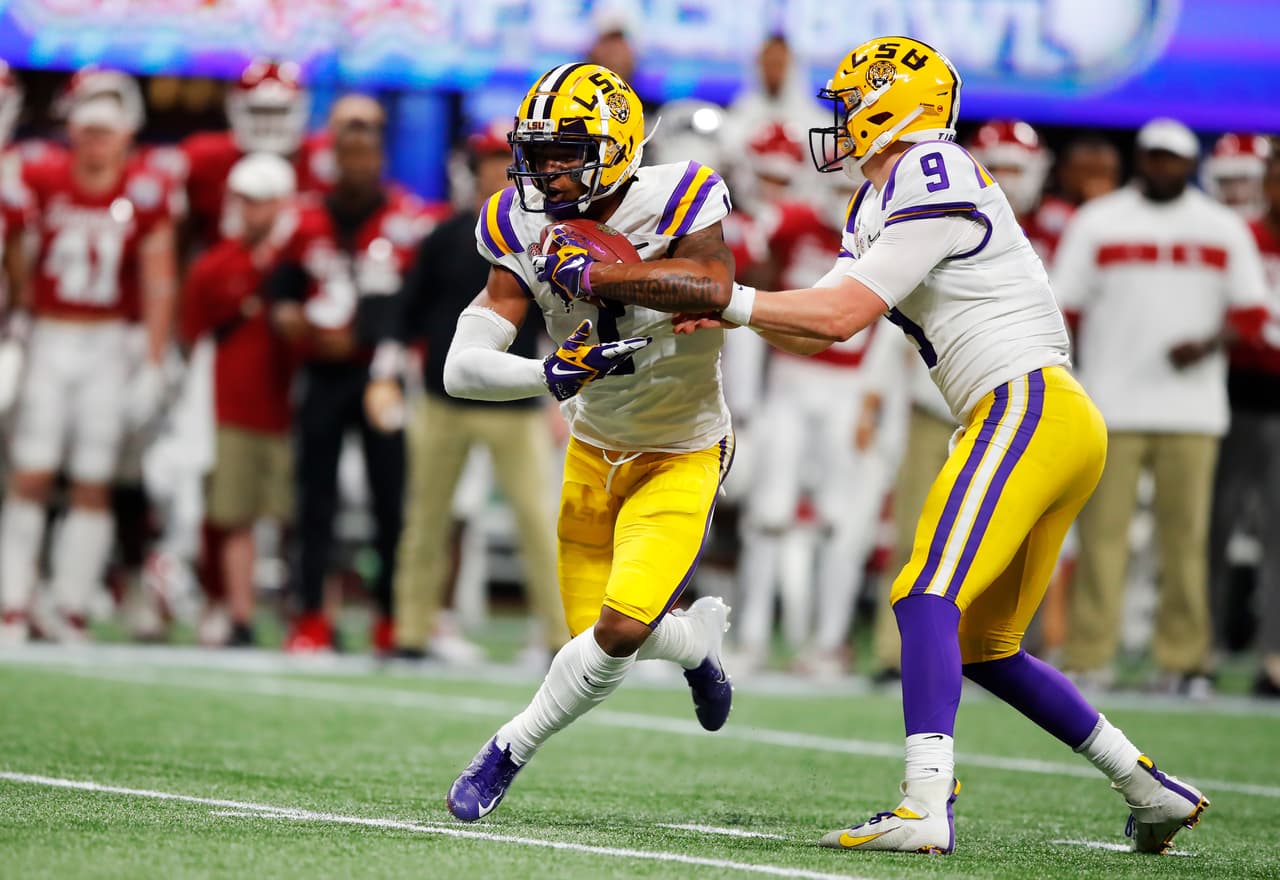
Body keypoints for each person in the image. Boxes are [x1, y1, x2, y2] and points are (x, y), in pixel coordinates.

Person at [625, 36, 1208, 856]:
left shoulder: (932, 166)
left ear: (894, 106)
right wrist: (723, 311)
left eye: (850, 103)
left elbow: (835, 318)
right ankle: (1149, 788)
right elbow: (821, 327)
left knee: (924, 593)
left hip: (1025, 403)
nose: (839, 120)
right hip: (1044, 416)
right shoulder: (878, 199)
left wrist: (732, 298)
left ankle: (925, 805)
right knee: (984, 647)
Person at [442, 62, 736, 822]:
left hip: (683, 445)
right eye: (539, 153)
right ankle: (696, 646)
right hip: (592, 447)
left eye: (569, 150)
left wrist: (607, 277)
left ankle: (507, 749)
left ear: (619, 142)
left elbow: (712, 283)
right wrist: (548, 371)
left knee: (614, 633)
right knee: (600, 638)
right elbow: (460, 368)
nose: (551, 168)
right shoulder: (515, 219)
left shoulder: (679, 194)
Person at [1055, 119, 1269, 696]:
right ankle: (1089, 654)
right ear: (1139, 160)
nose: (1161, 166)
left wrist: (1208, 341)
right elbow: (1061, 307)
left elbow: (1253, 313)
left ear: (1188, 163)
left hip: (1193, 409)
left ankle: (1184, 660)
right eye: (1152, 156)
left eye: (1172, 158)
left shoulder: (1221, 227)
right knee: (1102, 538)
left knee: (1186, 539)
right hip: (1110, 403)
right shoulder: (1099, 222)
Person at [362, 123, 569, 661]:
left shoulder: (544, 236)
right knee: (425, 520)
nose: (496, 171)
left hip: (515, 399)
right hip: (442, 398)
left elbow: (561, 319)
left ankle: (558, 636)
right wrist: (384, 374)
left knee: (538, 520)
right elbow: (404, 312)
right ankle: (410, 631)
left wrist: (559, 398)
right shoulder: (446, 235)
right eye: (488, 161)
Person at [0, 68, 179, 643]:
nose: (97, 141)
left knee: (93, 479)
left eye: (108, 131)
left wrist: (152, 360)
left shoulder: (145, 191)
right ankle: (12, 601)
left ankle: (69, 604)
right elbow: (18, 256)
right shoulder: (41, 175)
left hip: (107, 344)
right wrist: (19, 324)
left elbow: (158, 280)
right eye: (89, 130)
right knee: (29, 473)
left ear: (126, 133)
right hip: (49, 336)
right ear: (72, 129)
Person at [268, 115, 435, 653]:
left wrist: (362, 334)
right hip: (320, 372)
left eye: (366, 155)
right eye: (349, 155)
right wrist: (288, 314)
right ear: (334, 160)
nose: (357, 165)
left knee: (391, 499)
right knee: (314, 497)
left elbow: (418, 302)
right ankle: (311, 613)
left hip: (380, 372)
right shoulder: (304, 218)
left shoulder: (407, 219)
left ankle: (390, 614)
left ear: (380, 160)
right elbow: (280, 285)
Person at [180, 153, 297, 647]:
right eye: (247, 201)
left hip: (291, 404)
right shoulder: (215, 265)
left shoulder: (299, 259)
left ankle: (296, 616)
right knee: (233, 514)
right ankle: (240, 613)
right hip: (232, 406)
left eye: (263, 202)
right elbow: (192, 338)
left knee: (289, 517)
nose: (254, 212)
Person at [1208, 152, 1280, 697]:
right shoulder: (1239, 234)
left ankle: (1273, 654)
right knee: (1215, 526)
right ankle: (1201, 647)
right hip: (1235, 393)